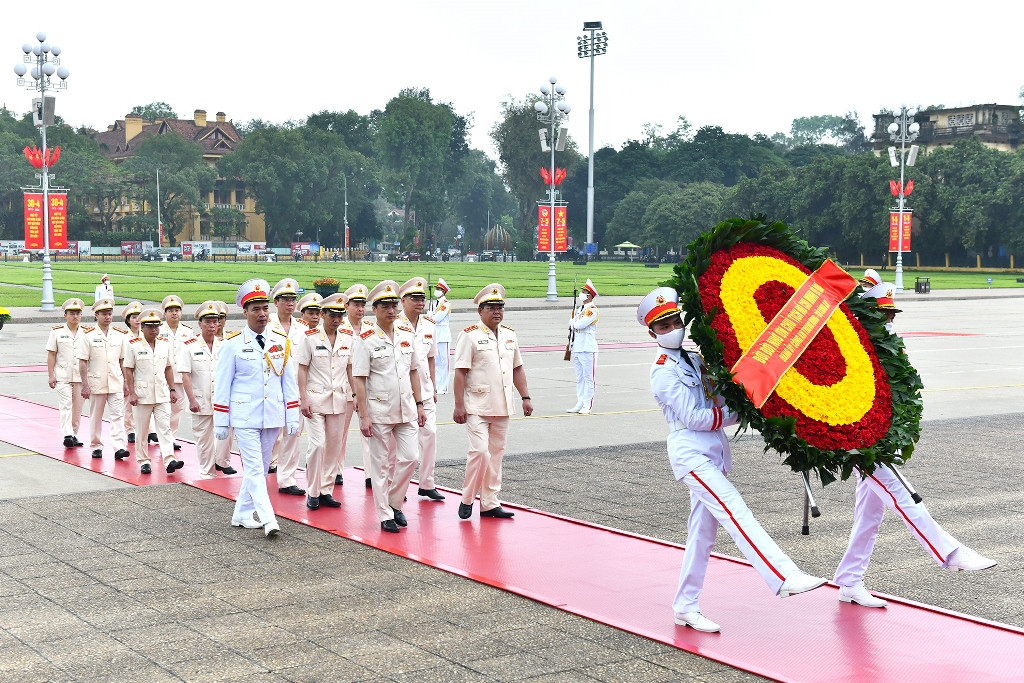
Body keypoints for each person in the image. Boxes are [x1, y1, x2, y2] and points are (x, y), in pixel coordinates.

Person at [638, 286, 826, 633]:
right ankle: (783, 575)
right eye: (663, 326)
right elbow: (695, 417)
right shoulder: (663, 370)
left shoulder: (694, 359)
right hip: (691, 454)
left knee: (701, 536)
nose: (673, 328)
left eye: (675, 320)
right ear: (652, 333)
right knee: (736, 510)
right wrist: (739, 412)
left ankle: (685, 606)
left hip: (712, 452)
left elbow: (721, 394)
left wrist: (752, 389)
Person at [833, 279, 997, 608]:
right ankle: (948, 552)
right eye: (883, 315)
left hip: (884, 436)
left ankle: (850, 579)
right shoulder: (852, 345)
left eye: (891, 314)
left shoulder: (887, 343)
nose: (890, 320)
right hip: (862, 443)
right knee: (903, 497)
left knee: (869, 515)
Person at [213, 279, 300, 538]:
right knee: (253, 469)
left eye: (265, 309)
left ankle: (241, 513)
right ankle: (268, 518)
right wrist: (221, 421)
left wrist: (292, 413)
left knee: (260, 468)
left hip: (272, 415)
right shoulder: (232, 344)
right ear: (245, 312)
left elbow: (289, 381)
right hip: (244, 416)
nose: (262, 314)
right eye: (256, 309)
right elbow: (223, 385)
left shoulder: (280, 341)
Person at [351, 280, 427, 533]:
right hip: (379, 410)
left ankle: (394, 502)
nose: (392, 310)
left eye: (394, 305)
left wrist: (420, 404)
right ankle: (385, 514)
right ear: (375, 309)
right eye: (385, 306)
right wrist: (363, 416)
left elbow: (414, 371)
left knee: (410, 457)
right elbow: (359, 379)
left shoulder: (407, 335)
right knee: (381, 465)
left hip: (406, 407)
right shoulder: (365, 339)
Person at [452, 283, 533, 520]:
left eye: (500, 307)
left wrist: (525, 397)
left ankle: (489, 502)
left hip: (502, 404)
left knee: (496, 454)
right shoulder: (469, 336)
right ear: (480, 311)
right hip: (476, 406)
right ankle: (468, 499)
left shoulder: (509, 334)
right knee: (480, 453)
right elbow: (460, 372)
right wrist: (458, 405)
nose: (497, 312)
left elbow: (517, 368)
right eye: (492, 308)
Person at [294, 293, 350, 510]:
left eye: (340, 315)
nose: (336, 319)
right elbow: (302, 368)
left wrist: (354, 395)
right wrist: (303, 397)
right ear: (322, 314)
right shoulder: (309, 337)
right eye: (332, 315)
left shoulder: (347, 338)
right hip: (315, 399)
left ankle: (326, 490)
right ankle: (313, 491)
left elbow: (351, 369)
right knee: (317, 445)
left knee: (334, 447)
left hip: (339, 399)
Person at [399, 277, 445, 500]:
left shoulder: (429, 325)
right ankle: (398, 486)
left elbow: (431, 359)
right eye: (415, 298)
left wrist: (434, 387)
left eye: (422, 299)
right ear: (403, 300)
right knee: (401, 446)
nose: (420, 302)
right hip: (402, 391)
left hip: (425, 389)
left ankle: (427, 483)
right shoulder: (394, 324)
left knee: (430, 435)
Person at [123, 308, 183, 474]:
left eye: (156, 326)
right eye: (150, 326)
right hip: (143, 395)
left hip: (162, 393)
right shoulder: (133, 345)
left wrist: (172, 389)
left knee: (164, 428)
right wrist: (132, 392)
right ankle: (143, 461)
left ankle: (169, 459)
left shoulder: (164, 345)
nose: (154, 329)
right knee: (142, 431)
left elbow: (169, 368)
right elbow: (128, 369)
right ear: (142, 328)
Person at [75, 298, 129, 461]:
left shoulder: (120, 335)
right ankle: (96, 446)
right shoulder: (88, 335)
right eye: (104, 314)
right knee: (96, 416)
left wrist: (127, 382)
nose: (107, 317)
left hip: (115, 381)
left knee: (118, 415)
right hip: (96, 382)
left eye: (110, 314)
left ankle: (119, 446)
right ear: (96, 315)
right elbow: (83, 361)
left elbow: (123, 361)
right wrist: (84, 384)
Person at [268, 278, 306, 495]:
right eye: (286, 299)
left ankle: (287, 479)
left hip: (294, 389)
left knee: (293, 433)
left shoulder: (301, 328)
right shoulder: (266, 325)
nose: (290, 303)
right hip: (272, 388)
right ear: (276, 302)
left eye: (293, 299)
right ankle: (266, 466)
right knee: (271, 433)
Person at [179, 301, 223, 479]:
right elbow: (185, 375)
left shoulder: (224, 345)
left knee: (222, 437)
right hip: (200, 399)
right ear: (200, 324)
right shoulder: (190, 346)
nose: (212, 326)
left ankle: (219, 464)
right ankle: (207, 472)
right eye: (208, 322)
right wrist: (191, 400)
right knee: (204, 439)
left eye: (215, 321)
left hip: (220, 400)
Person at [338, 283, 373, 488]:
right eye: (356, 305)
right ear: (346, 306)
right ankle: (336, 470)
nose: (360, 309)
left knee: (369, 433)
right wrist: (352, 392)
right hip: (343, 389)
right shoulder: (339, 328)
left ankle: (370, 473)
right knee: (339, 434)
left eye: (363, 305)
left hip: (367, 390)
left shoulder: (371, 329)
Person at [46, 297, 86, 449]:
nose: (75, 316)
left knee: (78, 408)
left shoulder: (86, 333)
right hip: (62, 375)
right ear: (65, 315)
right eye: (71, 313)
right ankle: (67, 434)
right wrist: (51, 375)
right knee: (65, 406)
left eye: (77, 313)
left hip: (80, 377)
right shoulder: (56, 332)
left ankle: (74, 434)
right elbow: (51, 354)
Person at [158, 295, 196, 451]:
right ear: (165, 314)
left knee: (177, 410)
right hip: (161, 375)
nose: (174, 313)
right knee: (161, 409)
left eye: (177, 310)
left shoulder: (188, 331)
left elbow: (192, 354)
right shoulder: (158, 329)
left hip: (179, 377)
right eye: (171, 311)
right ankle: (160, 437)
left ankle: (171, 437)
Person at [567, 278, 600, 415]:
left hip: (588, 347)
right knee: (579, 378)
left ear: (590, 295)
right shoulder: (580, 309)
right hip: (578, 346)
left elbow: (579, 325)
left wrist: (572, 323)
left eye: (584, 291)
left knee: (588, 378)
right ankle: (580, 402)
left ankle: (587, 405)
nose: (581, 294)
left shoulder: (592, 310)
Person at [118, 301, 145, 443]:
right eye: (134, 317)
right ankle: (130, 430)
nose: (137, 320)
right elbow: (122, 359)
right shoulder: (123, 337)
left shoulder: (145, 334)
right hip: (128, 373)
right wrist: (124, 380)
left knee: (147, 401)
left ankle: (148, 430)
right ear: (128, 320)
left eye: (139, 317)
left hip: (143, 373)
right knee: (129, 403)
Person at [432, 278, 452, 394]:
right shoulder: (436, 303)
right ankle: (437, 385)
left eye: (439, 289)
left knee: (444, 362)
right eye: (436, 288)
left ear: (443, 291)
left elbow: (437, 318)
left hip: (443, 333)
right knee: (436, 361)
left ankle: (443, 386)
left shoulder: (446, 304)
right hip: (435, 333)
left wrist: (430, 317)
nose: (437, 291)